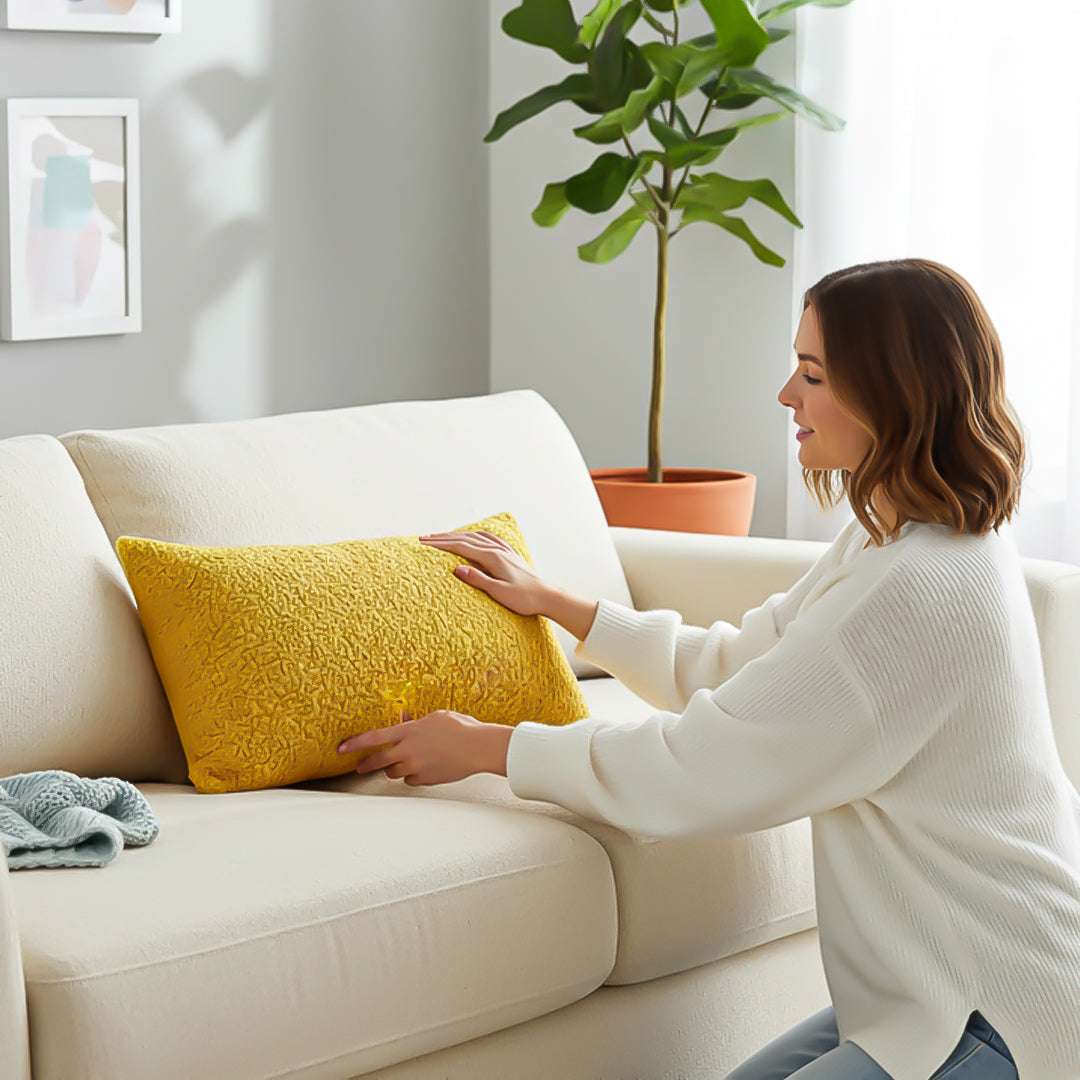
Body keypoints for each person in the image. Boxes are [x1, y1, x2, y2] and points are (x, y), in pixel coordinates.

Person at [336, 258, 1080, 1079]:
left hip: (987, 1012)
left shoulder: (912, 592)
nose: (785, 395)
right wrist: (560, 602)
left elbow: (698, 769)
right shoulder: (902, 539)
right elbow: (736, 666)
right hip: (922, 993)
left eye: (812, 373)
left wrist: (487, 747)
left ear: (891, 393)